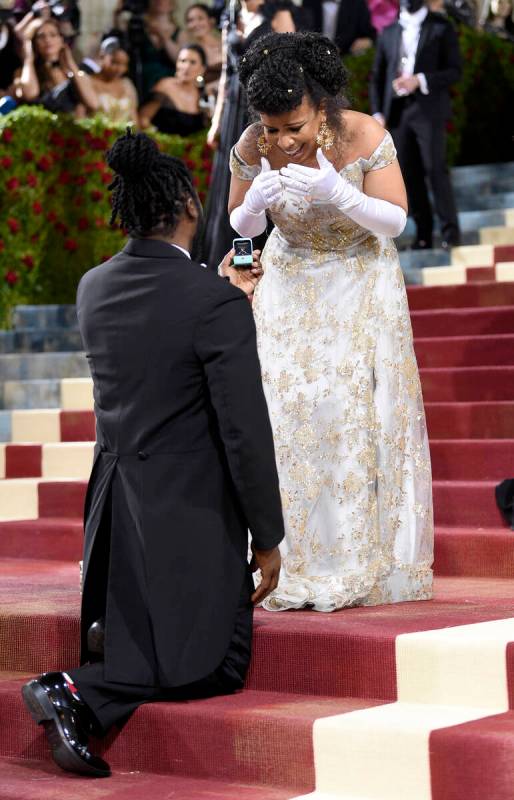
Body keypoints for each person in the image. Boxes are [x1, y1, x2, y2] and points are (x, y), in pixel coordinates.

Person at [21, 129, 284, 777]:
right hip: (189, 515)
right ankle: (77, 690)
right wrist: (269, 538)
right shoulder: (214, 303)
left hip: (116, 514)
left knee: (166, 649)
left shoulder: (93, 289)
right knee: (217, 667)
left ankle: (97, 674)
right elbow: (243, 431)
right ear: (191, 206)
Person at [228, 31, 434, 612]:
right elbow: (241, 231)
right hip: (290, 280)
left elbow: (394, 221)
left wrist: (337, 194)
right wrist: (251, 205)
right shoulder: (253, 144)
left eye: (294, 126)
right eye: (272, 128)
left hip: (359, 279)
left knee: (346, 412)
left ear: (322, 106)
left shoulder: (365, 133)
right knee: (283, 409)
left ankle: (355, 556)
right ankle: (290, 556)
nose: (281, 140)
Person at [202, 0, 299, 269]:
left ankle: (269, 256)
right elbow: (225, 71)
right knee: (233, 182)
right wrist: (217, 120)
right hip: (234, 106)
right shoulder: (230, 16)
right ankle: (237, 262)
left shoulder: (279, 12)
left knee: (267, 174)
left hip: (266, 107)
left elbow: (292, 63)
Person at [369, 0, 462, 250]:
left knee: (435, 169)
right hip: (398, 113)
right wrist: (378, 112)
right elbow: (377, 76)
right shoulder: (389, 32)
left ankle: (450, 232)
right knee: (409, 174)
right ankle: (423, 234)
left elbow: (455, 70)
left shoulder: (441, 27)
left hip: (427, 110)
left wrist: (419, 80)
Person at [15, 16, 98, 116]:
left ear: (62, 40)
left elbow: (93, 103)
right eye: (41, 36)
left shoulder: (75, 73)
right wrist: (28, 59)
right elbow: (30, 94)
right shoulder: (24, 72)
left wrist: (71, 65)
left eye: (53, 35)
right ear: (33, 43)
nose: (47, 40)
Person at [114, 0, 189, 102]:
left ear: (172, 4)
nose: (160, 1)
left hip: (168, 87)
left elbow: (179, 59)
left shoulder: (180, 33)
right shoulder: (137, 25)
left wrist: (163, 35)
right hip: (140, 81)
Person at [139, 44, 210, 136]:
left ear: (202, 69)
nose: (186, 66)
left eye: (192, 62)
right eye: (183, 61)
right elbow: (143, 119)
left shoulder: (203, 93)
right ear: (177, 63)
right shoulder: (165, 86)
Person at [90, 37, 138, 125]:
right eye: (115, 62)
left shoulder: (127, 84)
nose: (120, 69)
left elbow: (134, 119)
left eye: (124, 64)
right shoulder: (89, 82)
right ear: (102, 56)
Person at [302, 0, 376, 55]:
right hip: (314, 58)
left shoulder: (357, 3)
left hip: (346, 59)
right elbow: (303, 31)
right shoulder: (309, 2)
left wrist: (367, 41)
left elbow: (370, 35)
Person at [184, 3, 223, 88]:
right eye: (190, 20)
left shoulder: (227, 42)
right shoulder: (191, 52)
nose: (195, 24)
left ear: (211, 21)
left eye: (200, 18)